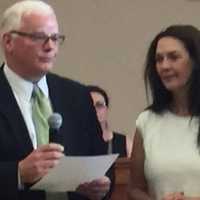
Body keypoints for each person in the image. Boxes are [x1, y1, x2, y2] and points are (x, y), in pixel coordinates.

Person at [0, 1, 111, 200]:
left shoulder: (77, 95)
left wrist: (101, 187)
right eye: (39, 37)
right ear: (8, 42)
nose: (50, 46)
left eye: (55, 38)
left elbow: (99, 160)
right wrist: (18, 173)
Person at [127, 24, 200, 200]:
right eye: (159, 59)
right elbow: (134, 189)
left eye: (174, 57)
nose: (164, 66)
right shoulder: (147, 121)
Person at [87, 85, 132, 158]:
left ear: (106, 109)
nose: (95, 110)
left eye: (99, 105)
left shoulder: (125, 143)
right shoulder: (74, 143)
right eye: (89, 105)